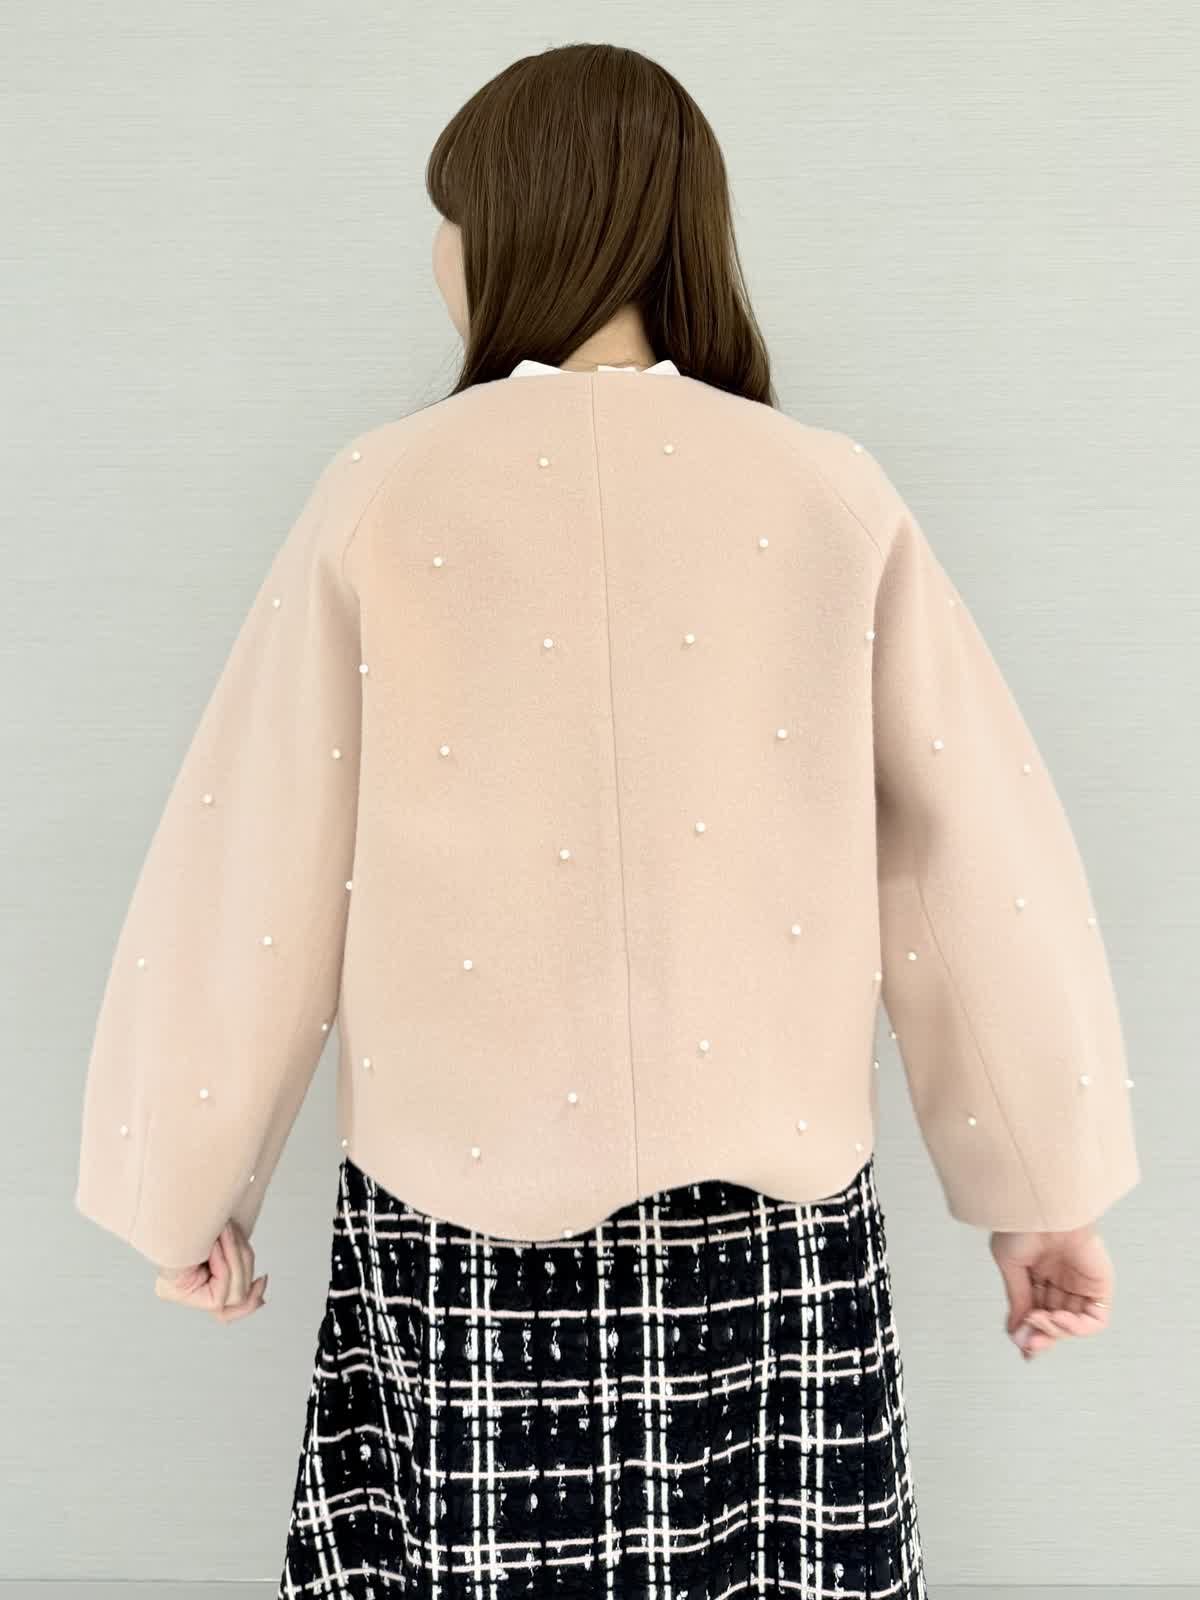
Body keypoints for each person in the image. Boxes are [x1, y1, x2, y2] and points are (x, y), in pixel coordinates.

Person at [74, 42, 1139, 1600]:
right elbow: (969, 865)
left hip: (459, 1234)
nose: (437, 256)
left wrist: (187, 1185)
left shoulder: (382, 494)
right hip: (772, 1238)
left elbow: (260, 866)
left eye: (449, 218)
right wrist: (1042, 1194)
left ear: (516, 228)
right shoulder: (826, 492)